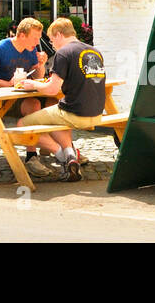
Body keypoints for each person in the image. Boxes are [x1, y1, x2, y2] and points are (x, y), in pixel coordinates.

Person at [18, 17, 106, 182]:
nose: (52, 45)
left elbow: (52, 89)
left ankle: (62, 157)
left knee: (21, 125)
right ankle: (70, 154)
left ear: (58, 35)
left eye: (51, 40)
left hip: (75, 112)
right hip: (97, 113)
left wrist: (33, 85)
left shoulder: (64, 53)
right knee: (54, 118)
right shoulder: (94, 51)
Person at [0, 17, 52, 174]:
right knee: (37, 105)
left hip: (19, 96)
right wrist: (8, 84)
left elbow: (38, 76)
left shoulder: (31, 50)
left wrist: (41, 64)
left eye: (39, 37)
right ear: (22, 35)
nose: (38, 42)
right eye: (35, 38)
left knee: (50, 102)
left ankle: (61, 151)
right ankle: (35, 155)